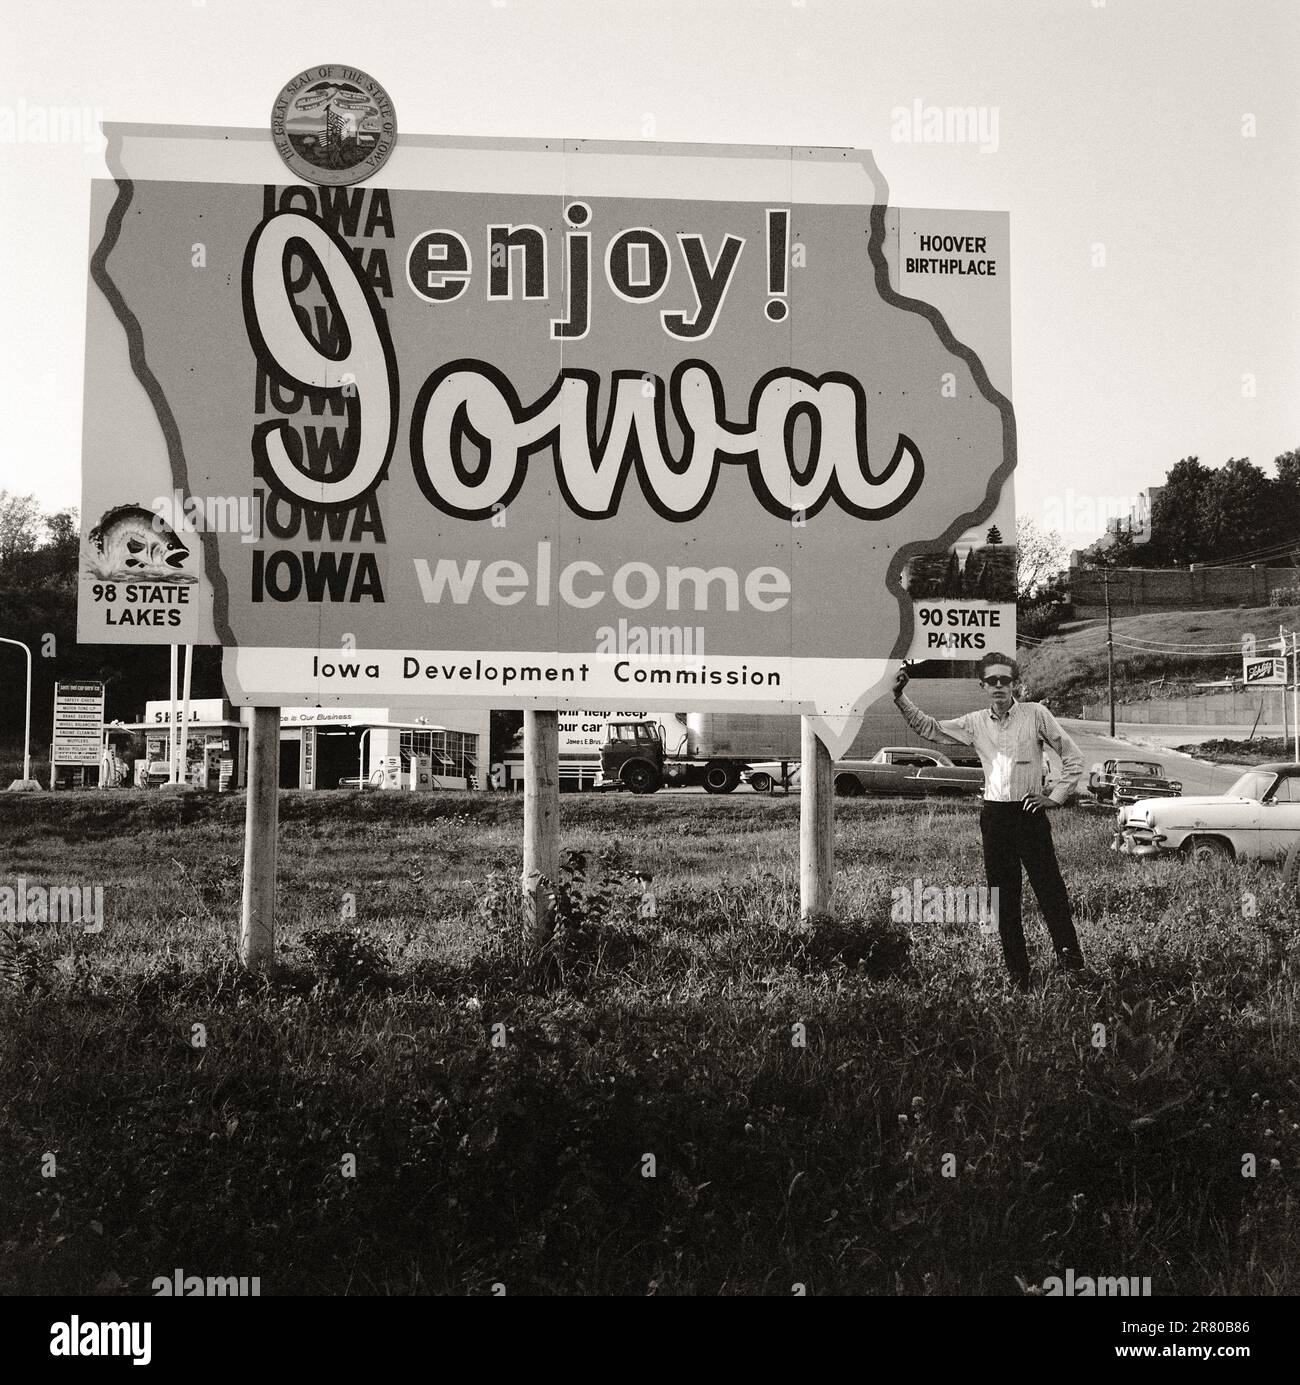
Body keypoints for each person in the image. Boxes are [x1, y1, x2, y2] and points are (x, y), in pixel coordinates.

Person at [892, 652, 1086, 991]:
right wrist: (899, 697)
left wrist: (1054, 797)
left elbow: (1072, 756)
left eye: (1005, 680)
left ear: (1015, 684)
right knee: (1004, 899)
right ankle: (1019, 977)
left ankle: (1073, 969)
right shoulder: (974, 723)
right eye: (992, 681)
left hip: (1029, 814)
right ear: (982, 685)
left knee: (1051, 893)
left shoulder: (1036, 714)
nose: (999, 686)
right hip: (995, 817)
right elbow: (931, 728)